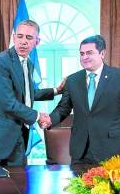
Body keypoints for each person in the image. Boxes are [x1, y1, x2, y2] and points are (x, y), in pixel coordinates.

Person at [0, 20, 64, 167]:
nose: (23, 42)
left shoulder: (28, 63)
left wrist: (56, 91)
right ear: (14, 37)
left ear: (37, 42)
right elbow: (8, 102)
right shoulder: (0, 61)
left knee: (18, 186)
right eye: (20, 36)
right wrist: (38, 116)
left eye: (29, 38)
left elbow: (26, 94)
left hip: (18, 138)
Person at [41, 35, 120, 164]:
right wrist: (50, 120)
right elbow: (64, 108)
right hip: (81, 150)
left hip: (111, 149)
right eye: (81, 53)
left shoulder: (117, 77)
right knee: (78, 184)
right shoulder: (72, 80)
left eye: (89, 53)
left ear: (102, 53)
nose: (84, 57)